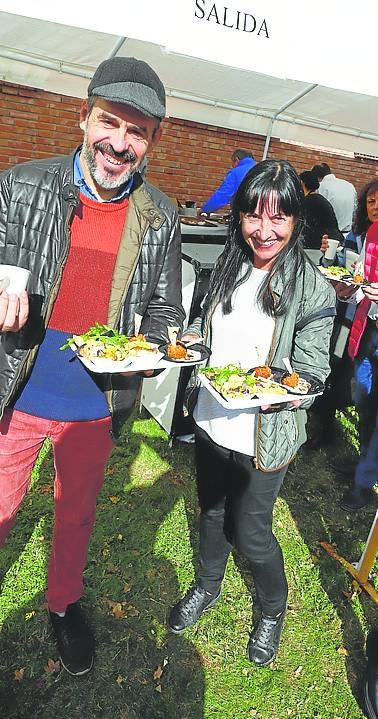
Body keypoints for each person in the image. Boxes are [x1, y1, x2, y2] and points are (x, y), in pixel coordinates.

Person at [0, 56, 185, 675]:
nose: (120, 143)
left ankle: (63, 604)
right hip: (19, 385)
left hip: (95, 399)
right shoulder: (21, 184)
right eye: (110, 123)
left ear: (153, 140)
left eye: (137, 133)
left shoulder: (160, 216)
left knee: (76, 511)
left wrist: (151, 349)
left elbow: (164, 308)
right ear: (84, 118)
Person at [168, 160, 335, 666]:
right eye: (253, 217)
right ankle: (207, 585)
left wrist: (284, 388)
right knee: (212, 513)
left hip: (266, 434)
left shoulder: (313, 288)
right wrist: (195, 340)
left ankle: (271, 610)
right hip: (214, 419)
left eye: (278, 219)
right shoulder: (228, 263)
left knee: (253, 533)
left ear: (295, 220)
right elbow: (209, 326)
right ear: (239, 216)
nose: (264, 231)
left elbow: (313, 372)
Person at [305, 179, 378, 451]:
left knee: (363, 386)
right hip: (347, 319)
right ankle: (324, 426)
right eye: (370, 202)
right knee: (335, 369)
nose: (375, 207)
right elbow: (336, 270)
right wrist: (327, 255)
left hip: (372, 326)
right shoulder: (353, 237)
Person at [334, 221, 378, 511]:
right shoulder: (374, 230)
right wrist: (349, 290)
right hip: (369, 331)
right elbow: (363, 276)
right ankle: (365, 459)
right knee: (364, 401)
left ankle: (364, 482)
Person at [200, 149, 256, 214]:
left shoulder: (236, 172)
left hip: (244, 215)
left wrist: (204, 209)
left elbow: (222, 196)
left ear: (236, 160)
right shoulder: (262, 169)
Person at [299, 170, 344, 249]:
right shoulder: (318, 198)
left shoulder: (309, 201)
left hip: (324, 243)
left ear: (302, 183)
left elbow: (305, 227)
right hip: (332, 239)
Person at [311, 162, 357, 235]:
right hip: (348, 235)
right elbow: (355, 212)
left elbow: (316, 214)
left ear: (316, 177)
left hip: (328, 236)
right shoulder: (349, 185)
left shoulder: (320, 187)